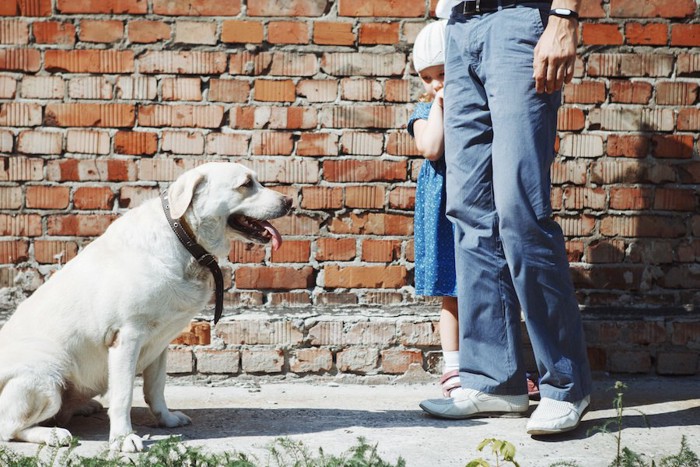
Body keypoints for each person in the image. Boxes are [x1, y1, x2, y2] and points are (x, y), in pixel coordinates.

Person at [419, 0, 592, 435]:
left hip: (517, 17)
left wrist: (564, 16)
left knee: (521, 209)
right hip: (459, 26)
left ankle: (566, 384)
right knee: (470, 211)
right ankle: (494, 381)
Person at [407, 20, 461, 398]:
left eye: (442, 73)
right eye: (428, 77)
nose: (436, 83)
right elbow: (431, 148)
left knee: (490, 285)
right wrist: (440, 103)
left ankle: (496, 365)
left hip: (475, 199)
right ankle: (454, 367)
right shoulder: (423, 112)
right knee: (452, 289)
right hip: (442, 205)